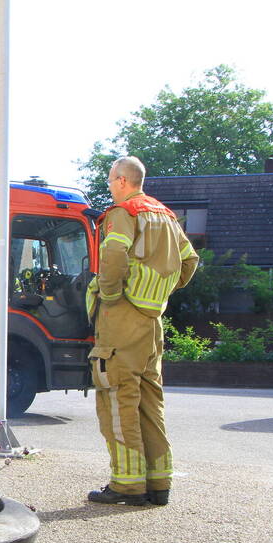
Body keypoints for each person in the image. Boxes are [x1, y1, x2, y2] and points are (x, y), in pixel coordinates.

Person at [85, 156, 198, 507]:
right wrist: (158, 292)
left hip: (123, 320)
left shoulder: (125, 214)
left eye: (109, 180)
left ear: (121, 180)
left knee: (118, 398)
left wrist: (112, 296)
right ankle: (158, 484)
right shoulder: (166, 216)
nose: (108, 186)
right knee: (151, 402)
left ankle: (127, 485)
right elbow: (190, 260)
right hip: (153, 322)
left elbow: (114, 257)